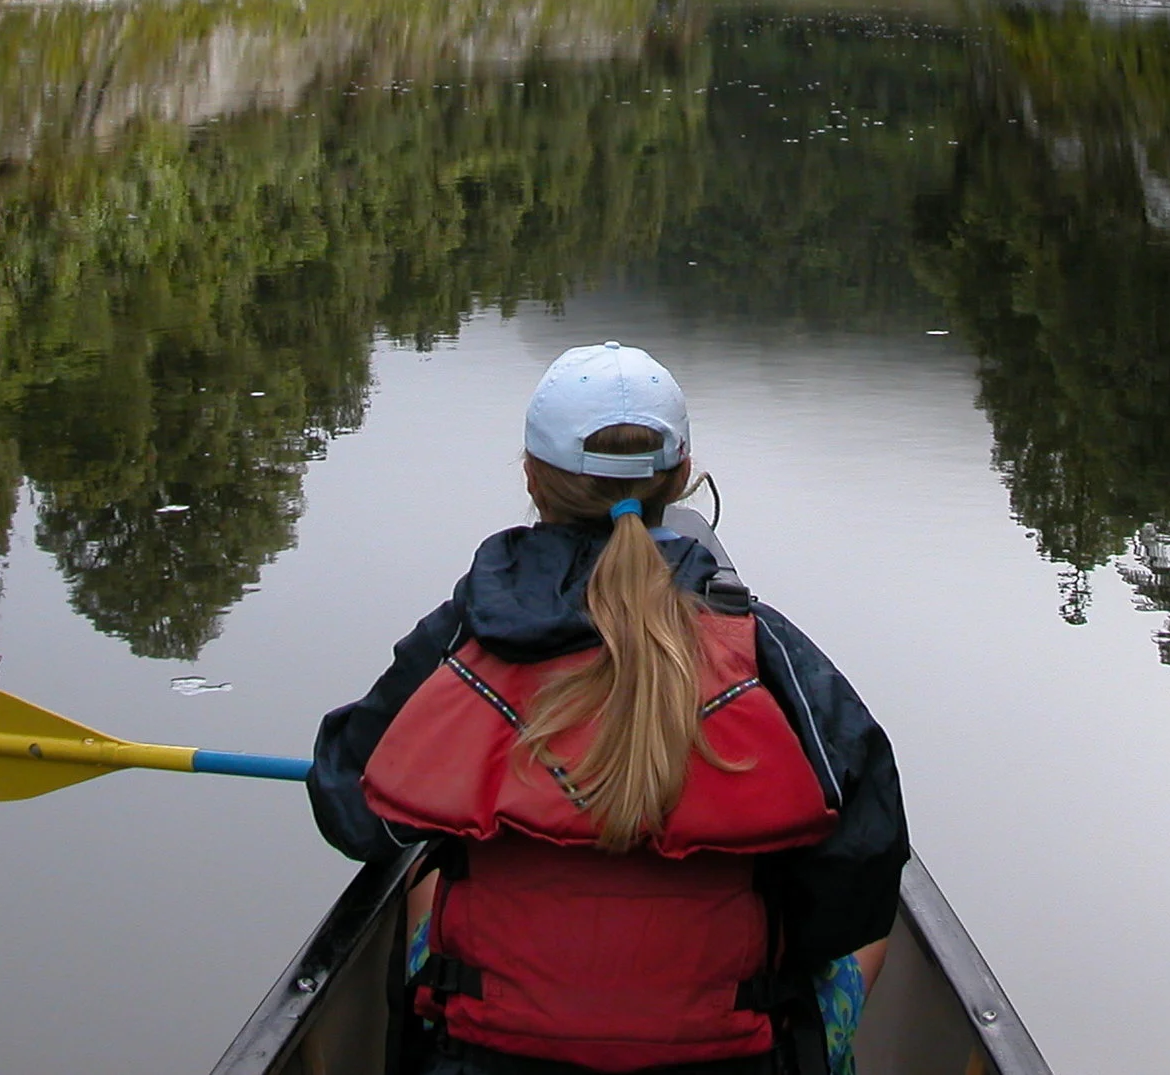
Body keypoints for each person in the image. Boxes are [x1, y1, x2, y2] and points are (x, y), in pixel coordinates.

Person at [310, 342, 909, 1075]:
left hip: (488, 1056)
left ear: (532, 477)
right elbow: (868, 850)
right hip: (723, 1058)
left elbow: (352, 804)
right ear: (682, 476)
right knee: (874, 928)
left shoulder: (466, 635)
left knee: (423, 870)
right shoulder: (762, 646)